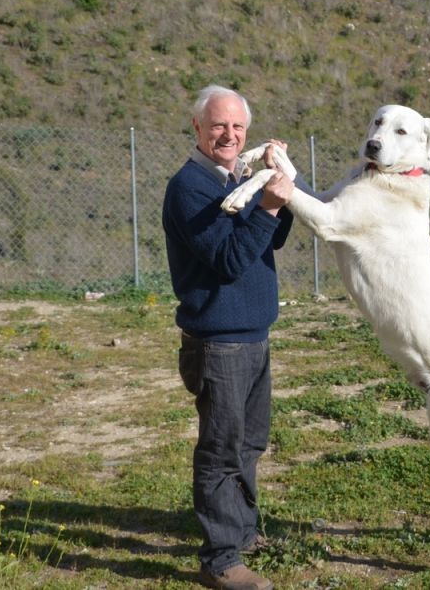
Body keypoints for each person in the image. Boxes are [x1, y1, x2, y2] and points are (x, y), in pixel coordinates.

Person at [162, 84, 305, 590]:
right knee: (222, 451)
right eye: (219, 125)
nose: (229, 135)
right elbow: (228, 259)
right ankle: (220, 561)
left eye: (238, 126)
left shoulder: (236, 179)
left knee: (249, 444)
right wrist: (266, 207)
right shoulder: (190, 188)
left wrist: (280, 180)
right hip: (218, 342)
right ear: (197, 127)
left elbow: (274, 236)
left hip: (252, 335)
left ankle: (240, 534)